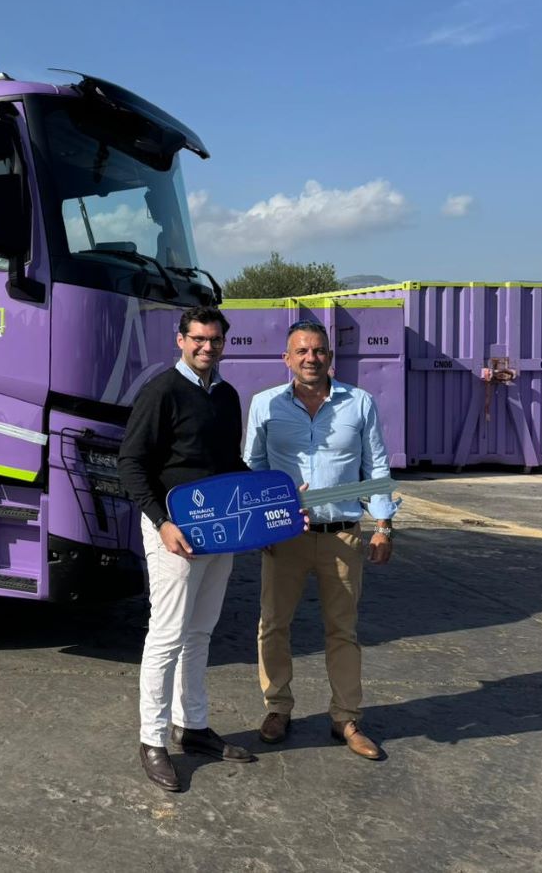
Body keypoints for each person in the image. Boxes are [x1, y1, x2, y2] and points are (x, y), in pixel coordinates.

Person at [243, 320, 398, 760]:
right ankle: (277, 708)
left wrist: (383, 525)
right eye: (302, 351)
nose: (312, 358)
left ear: (330, 356)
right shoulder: (265, 405)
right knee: (273, 625)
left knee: (342, 630)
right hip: (285, 537)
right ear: (287, 359)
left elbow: (377, 467)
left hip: (342, 536)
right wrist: (263, 523)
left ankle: (346, 718)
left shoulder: (360, 403)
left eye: (320, 351)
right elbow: (252, 466)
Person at [118, 306, 254, 792]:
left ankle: (192, 727)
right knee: (168, 634)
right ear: (180, 340)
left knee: (201, 633)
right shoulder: (161, 392)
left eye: (215, 340)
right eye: (198, 339)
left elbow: (228, 462)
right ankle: (152, 740)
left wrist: (270, 496)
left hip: (221, 533)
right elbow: (131, 464)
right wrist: (162, 523)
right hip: (174, 532)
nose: (206, 347)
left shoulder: (227, 395)